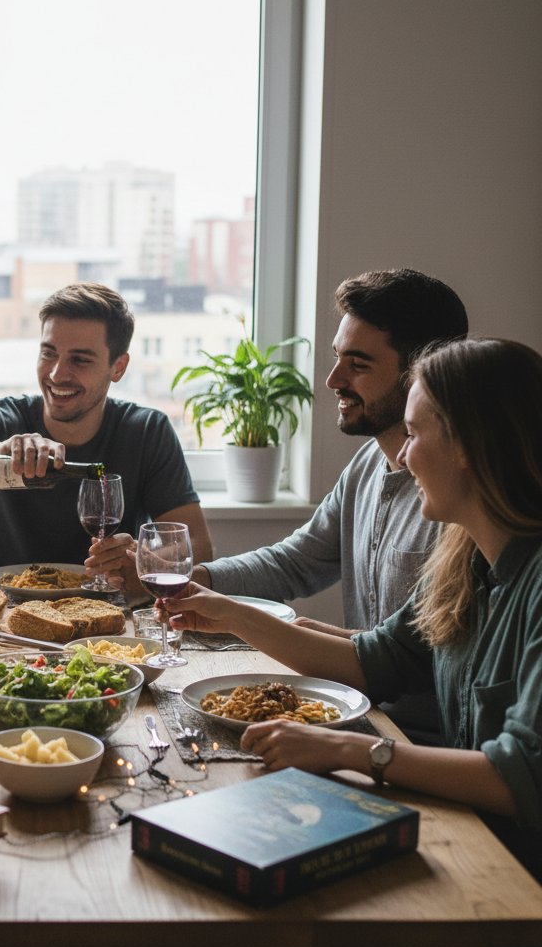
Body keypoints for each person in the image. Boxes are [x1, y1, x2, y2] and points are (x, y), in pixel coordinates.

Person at [165, 337, 542, 881]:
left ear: (470, 446)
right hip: (470, 835)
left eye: (414, 434)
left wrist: (352, 750)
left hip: (517, 879)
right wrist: (233, 615)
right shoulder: (464, 557)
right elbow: (377, 658)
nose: (403, 456)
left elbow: (521, 775)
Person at [129, 268, 467, 743]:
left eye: (359, 364)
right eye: (336, 358)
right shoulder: (368, 463)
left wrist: (238, 615)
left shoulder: (461, 505)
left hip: (421, 742)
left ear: (420, 374)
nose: (332, 379)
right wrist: (197, 581)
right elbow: (297, 561)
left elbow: (406, 663)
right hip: (359, 716)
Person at [0, 281, 213, 580]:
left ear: (118, 367)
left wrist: (140, 557)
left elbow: (198, 545)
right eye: (49, 353)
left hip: (104, 616)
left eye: (80, 360)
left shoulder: (146, 431)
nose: (57, 374)